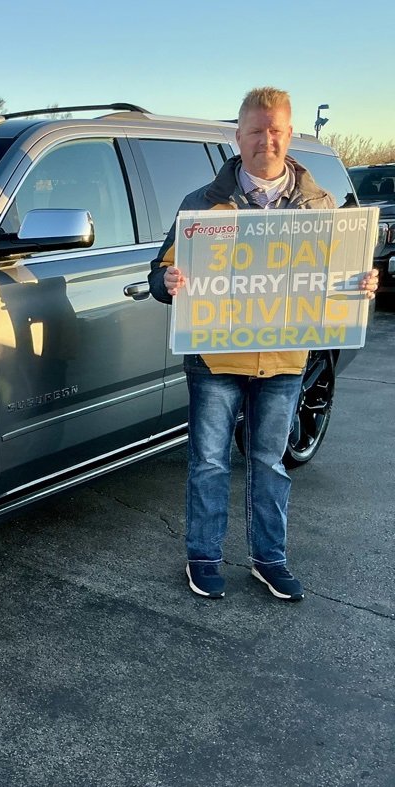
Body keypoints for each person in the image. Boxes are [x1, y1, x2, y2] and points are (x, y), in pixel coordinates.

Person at [148, 87, 380, 601]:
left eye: (275, 130)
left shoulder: (319, 205)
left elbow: (338, 275)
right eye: (255, 130)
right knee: (208, 461)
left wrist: (361, 285)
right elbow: (160, 273)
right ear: (238, 136)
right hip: (215, 355)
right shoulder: (202, 204)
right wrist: (166, 283)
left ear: (288, 134)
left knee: (269, 462)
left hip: (284, 356)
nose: (266, 140)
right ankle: (204, 557)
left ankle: (269, 559)